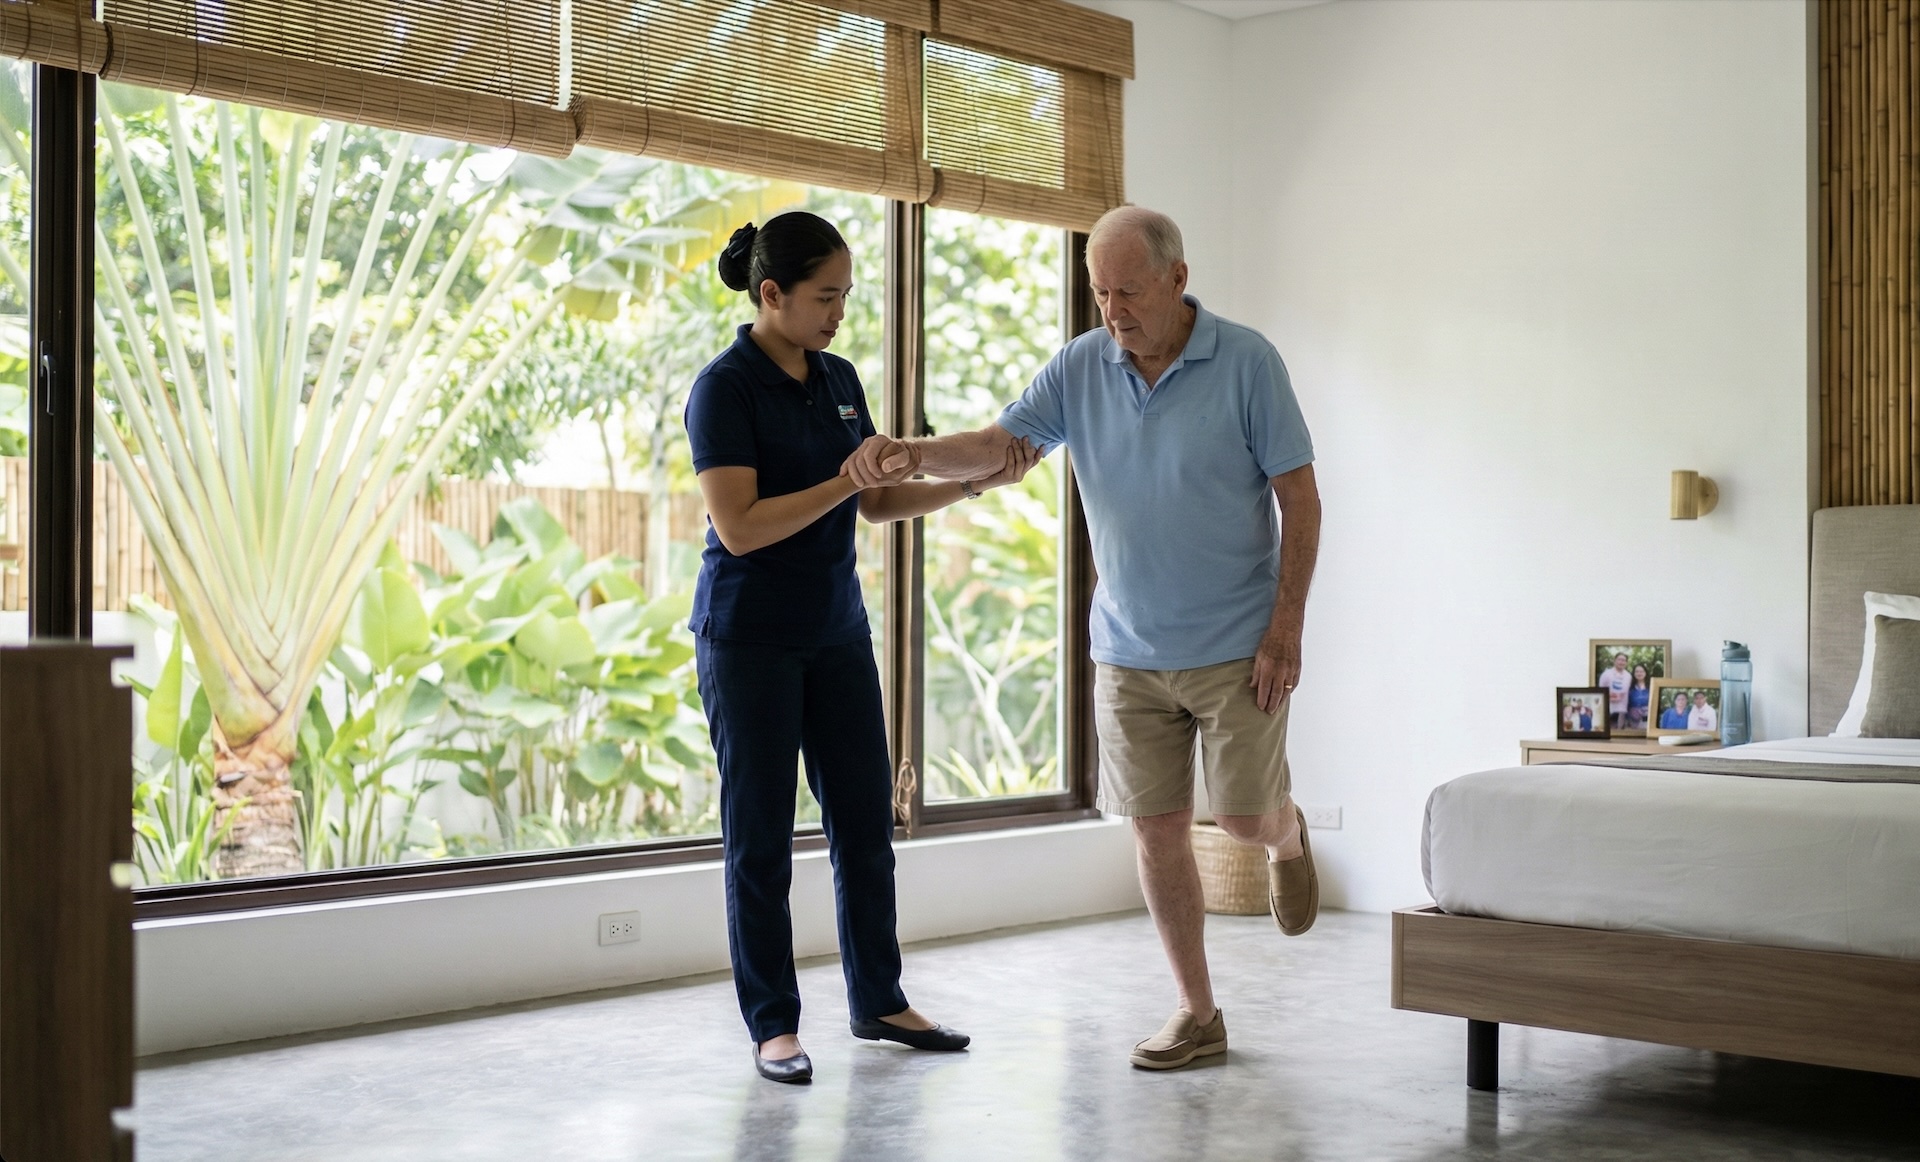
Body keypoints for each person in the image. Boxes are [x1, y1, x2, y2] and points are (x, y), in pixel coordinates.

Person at [845, 206, 1321, 1071]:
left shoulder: (1248, 362)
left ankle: (1287, 836)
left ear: (1178, 279)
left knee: (1242, 818)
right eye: (1101, 293)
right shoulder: (1080, 367)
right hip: (1128, 650)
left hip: (1234, 641)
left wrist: (1286, 626)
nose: (1113, 310)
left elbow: (1301, 498)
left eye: (1129, 291)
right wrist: (909, 453)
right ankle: (1198, 1012)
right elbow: (996, 448)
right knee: (1157, 831)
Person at [684, 212, 1040, 1084]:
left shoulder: (838, 378)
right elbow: (740, 527)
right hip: (750, 640)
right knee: (760, 840)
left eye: (845, 295)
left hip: (837, 633)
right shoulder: (723, 389)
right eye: (825, 297)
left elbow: (874, 502)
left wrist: (968, 484)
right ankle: (773, 1026)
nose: (839, 313)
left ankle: (879, 999)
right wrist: (841, 480)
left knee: (865, 827)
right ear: (772, 294)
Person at [1598, 652, 1632, 728]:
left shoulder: (1628, 676)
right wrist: (1610, 695)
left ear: (1626, 663)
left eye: (1623, 660)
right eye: (1619, 659)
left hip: (1622, 710)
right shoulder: (1606, 674)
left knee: (1620, 732)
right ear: (1614, 661)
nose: (1621, 662)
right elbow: (1600, 692)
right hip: (1608, 709)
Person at [1626, 664, 1652, 731]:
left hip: (1648, 719)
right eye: (1637, 671)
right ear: (1634, 673)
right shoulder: (1629, 686)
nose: (1639, 673)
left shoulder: (1651, 686)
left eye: (1641, 671)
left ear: (1645, 673)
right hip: (1632, 720)